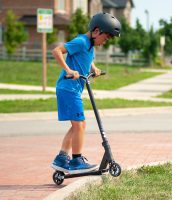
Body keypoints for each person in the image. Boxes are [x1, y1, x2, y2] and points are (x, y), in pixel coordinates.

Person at [51, 12, 121, 174]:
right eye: (106, 37)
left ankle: (61, 159)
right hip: (68, 88)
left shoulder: (89, 45)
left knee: (78, 125)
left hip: (72, 89)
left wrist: (93, 68)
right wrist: (69, 70)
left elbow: (86, 58)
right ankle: (76, 161)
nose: (105, 41)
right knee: (80, 124)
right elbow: (57, 51)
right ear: (96, 31)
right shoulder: (82, 41)